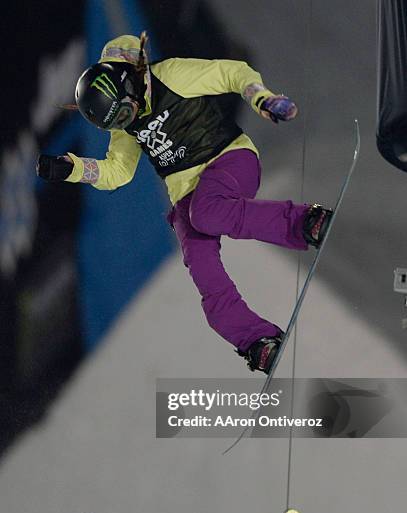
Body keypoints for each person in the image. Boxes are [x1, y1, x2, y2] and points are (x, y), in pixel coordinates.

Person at [36, 33, 332, 374]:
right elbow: (118, 172)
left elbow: (233, 72)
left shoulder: (172, 76)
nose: (127, 123)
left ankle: (303, 222)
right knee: (203, 270)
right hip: (189, 199)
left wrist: (262, 99)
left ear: (130, 85)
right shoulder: (125, 126)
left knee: (206, 213)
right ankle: (256, 340)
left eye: (125, 114)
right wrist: (72, 169)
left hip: (228, 160)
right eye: (116, 123)